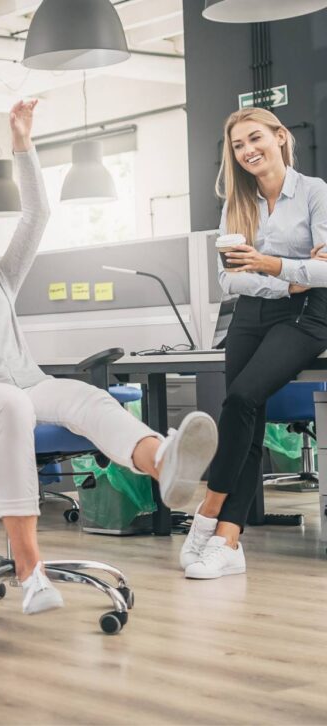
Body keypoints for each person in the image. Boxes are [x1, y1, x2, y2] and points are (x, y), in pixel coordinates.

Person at [0, 100, 219, 613]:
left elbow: (37, 214)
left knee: (87, 396)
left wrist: (23, 144)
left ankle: (164, 462)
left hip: (27, 385)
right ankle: (30, 569)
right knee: (8, 407)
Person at [180, 107, 327, 579]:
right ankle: (231, 541)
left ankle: (210, 514)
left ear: (281, 137)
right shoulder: (236, 202)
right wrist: (289, 275)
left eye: (255, 138)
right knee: (243, 413)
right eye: (238, 145)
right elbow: (229, 281)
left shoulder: (315, 193)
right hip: (252, 316)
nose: (247, 151)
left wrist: (267, 266)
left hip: (306, 318)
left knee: (243, 397)